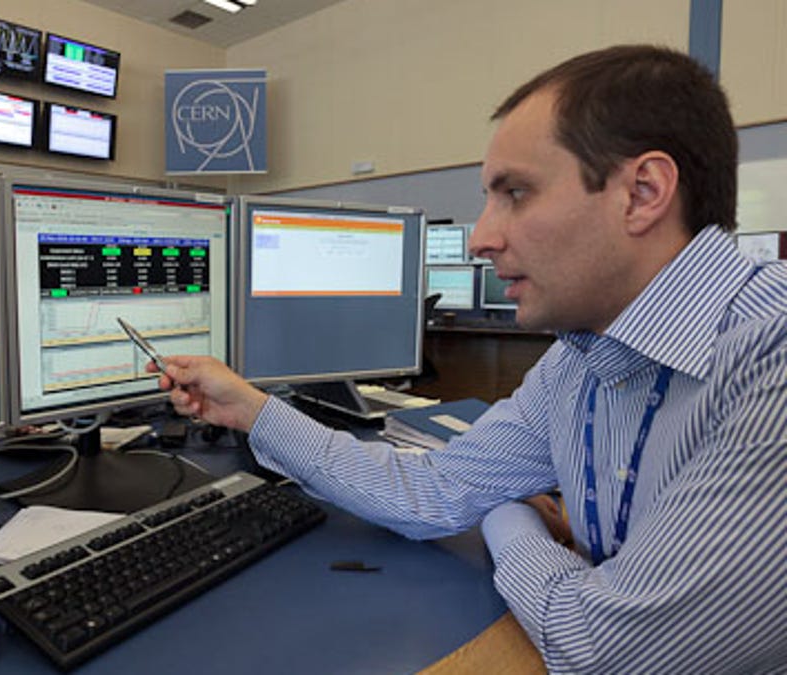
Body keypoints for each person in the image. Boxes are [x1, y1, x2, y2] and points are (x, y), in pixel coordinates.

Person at [150, 45, 787, 673]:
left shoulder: (770, 356)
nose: (481, 237)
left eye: (515, 192)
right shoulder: (580, 360)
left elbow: (607, 651)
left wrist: (511, 516)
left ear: (643, 193)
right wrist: (254, 411)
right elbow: (435, 491)